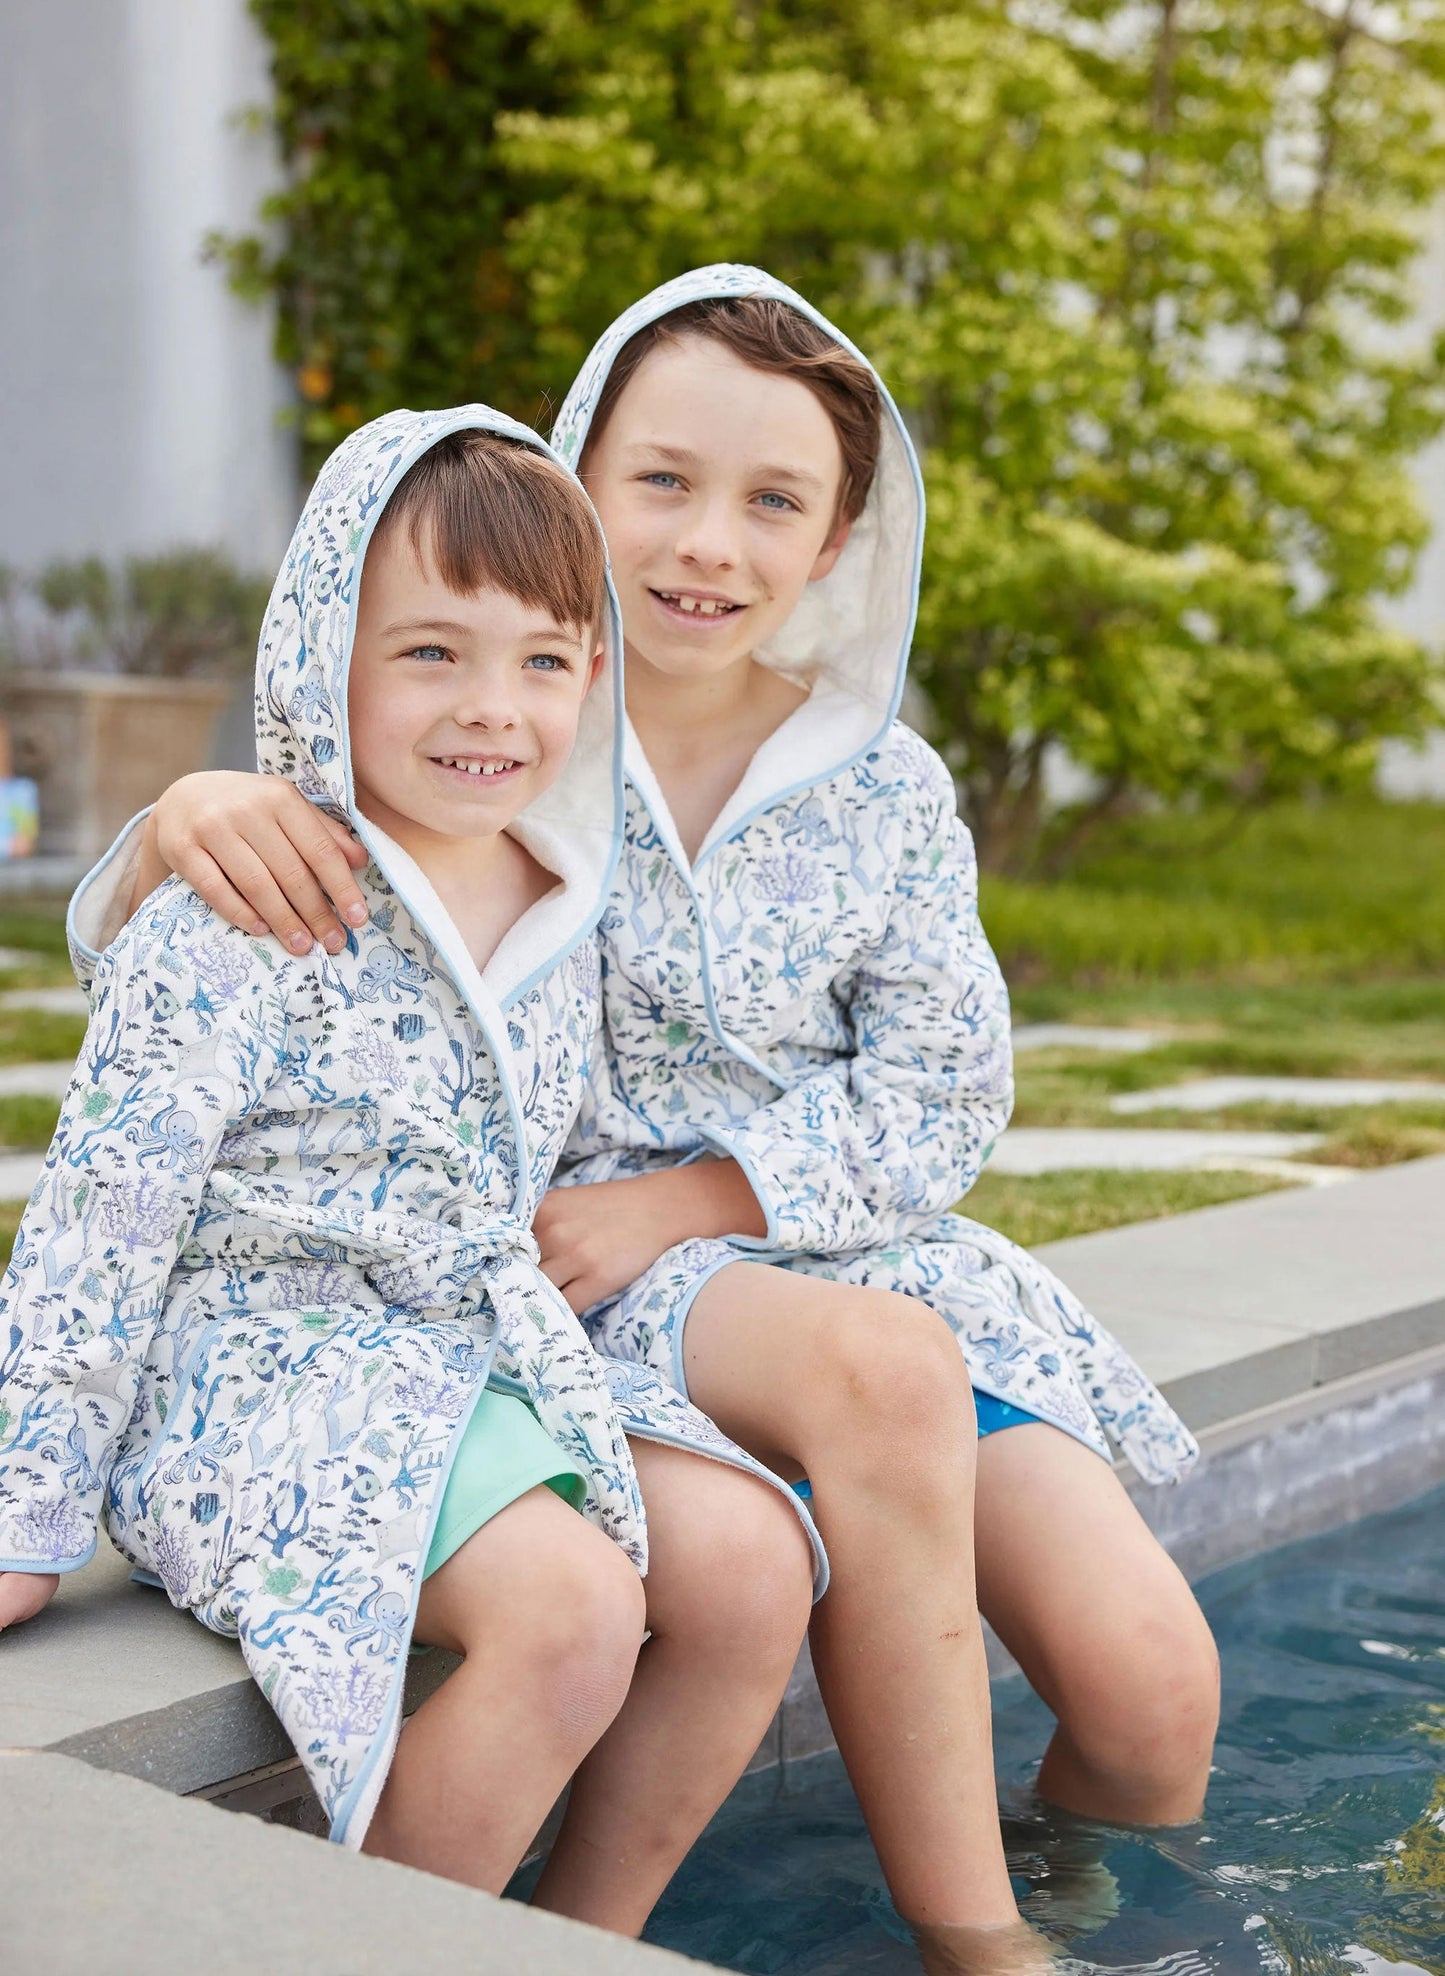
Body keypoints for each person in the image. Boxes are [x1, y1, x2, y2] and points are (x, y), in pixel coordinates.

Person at [67, 269, 1219, 1967]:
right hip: (573, 1259)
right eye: (660, 480)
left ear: (834, 543)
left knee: (1151, 1696)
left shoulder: (883, 788)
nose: (705, 543)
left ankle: (1070, 1900)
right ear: (572, 475)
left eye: (774, 502)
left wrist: (704, 1195)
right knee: (846, 1421)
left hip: (830, 1250)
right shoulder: (503, 722)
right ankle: (965, 1941)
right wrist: (182, 809)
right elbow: (274, 934)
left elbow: (946, 1086)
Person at [0, 406, 818, 1937]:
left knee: (757, 1563)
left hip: (475, 1350)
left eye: (542, 660)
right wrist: (23, 1512)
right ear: (327, 654)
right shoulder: (244, 905)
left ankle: (581, 1937)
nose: (490, 709)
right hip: (255, 1364)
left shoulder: (565, 893)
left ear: (593, 669)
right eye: (430, 653)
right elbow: (99, 1222)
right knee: (572, 1615)